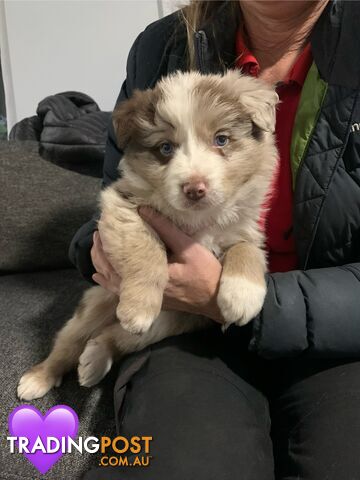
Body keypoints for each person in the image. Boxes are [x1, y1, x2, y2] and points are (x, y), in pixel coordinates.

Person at [71, 1, 360, 479]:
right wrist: (101, 250)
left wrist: (242, 301)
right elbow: (117, 192)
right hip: (185, 333)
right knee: (183, 466)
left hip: (338, 343)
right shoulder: (162, 45)